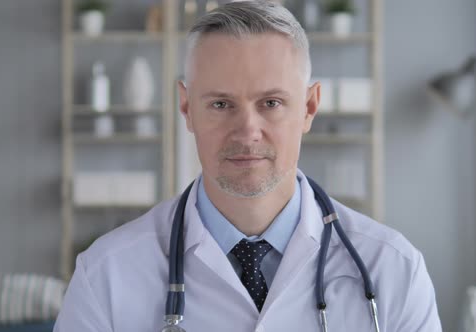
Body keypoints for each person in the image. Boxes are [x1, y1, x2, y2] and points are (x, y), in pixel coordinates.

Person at [53, 1, 442, 331]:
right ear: (186, 108)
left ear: (309, 107)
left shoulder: (394, 270)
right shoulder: (105, 277)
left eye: (271, 103)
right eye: (221, 104)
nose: (247, 131)